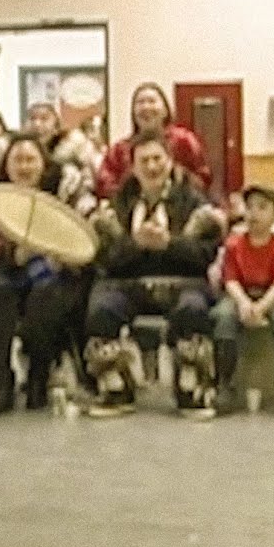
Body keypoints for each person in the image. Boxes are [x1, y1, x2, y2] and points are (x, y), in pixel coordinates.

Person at [83, 130, 225, 419]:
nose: (151, 167)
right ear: (133, 167)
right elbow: (104, 259)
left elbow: (205, 255)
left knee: (193, 308)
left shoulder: (194, 201)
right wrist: (135, 245)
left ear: (170, 161)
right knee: (101, 307)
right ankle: (116, 386)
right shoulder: (115, 206)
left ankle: (191, 384)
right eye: (143, 161)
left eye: (157, 159)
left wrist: (169, 245)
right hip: (128, 284)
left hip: (184, 283)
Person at [0, 133, 96, 414]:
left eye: (30, 159)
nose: (24, 166)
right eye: (17, 160)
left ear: (43, 164)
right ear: (6, 165)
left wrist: (60, 252)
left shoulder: (66, 194)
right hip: (3, 270)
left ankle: (38, 377)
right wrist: (9, 253)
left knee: (46, 297)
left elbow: (87, 238)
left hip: (54, 275)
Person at [210, 185, 274, 415]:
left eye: (262, 208)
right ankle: (224, 384)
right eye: (249, 207)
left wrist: (260, 307)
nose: (254, 214)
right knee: (223, 316)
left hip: (271, 295)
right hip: (241, 293)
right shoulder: (234, 244)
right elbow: (230, 279)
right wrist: (243, 303)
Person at [94, 83, 213, 202]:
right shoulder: (119, 150)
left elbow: (203, 178)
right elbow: (104, 184)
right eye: (140, 102)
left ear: (166, 109)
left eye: (151, 101)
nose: (146, 107)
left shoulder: (185, 141)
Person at [25, 102, 100, 182]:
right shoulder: (20, 149)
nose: (37, 124)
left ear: (56, 127)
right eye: (32, 118)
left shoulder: (77, 145)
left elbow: (94, 174)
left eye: (44, 118)